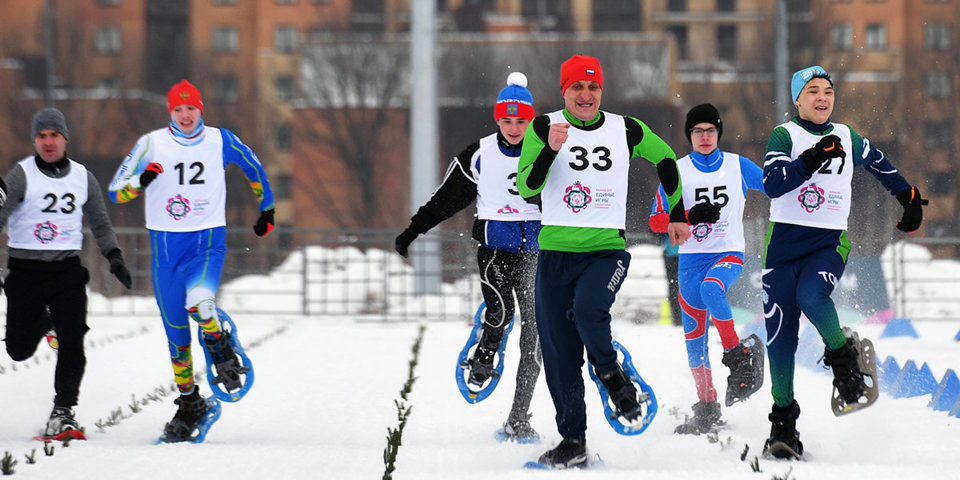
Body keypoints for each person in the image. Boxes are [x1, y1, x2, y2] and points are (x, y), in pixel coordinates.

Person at [517, 54, 690, 468]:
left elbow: (666, 158)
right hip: (556, 255)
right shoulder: (544, 127)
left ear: (601, 92)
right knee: (559, 355)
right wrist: (551, 150)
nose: (586, 94)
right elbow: (527, 188)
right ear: (565, 91)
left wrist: (678, 214)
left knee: (589, 311)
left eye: (593, 87)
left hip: (605, 251)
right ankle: (573, 441)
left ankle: (613, 378)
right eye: (577, 87)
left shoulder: (625, 129)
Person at [760, 66, 926, 459]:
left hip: (828, 240)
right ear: (797, 100)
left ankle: (843, 359)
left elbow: (880, 162)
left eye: (828, 91)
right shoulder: (785, 135)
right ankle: (783, 423)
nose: (822, 97)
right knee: (780, 340)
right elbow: (773, 183)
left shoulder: (847, 136)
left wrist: (908, 196)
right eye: (812, 91)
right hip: (782, 245)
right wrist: (812, 158)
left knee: (813, 298)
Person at [108, 80, 275, 442]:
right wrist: (142, 179)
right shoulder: (151, 143)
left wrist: (267, 209)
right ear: (171, 112)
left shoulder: (220, 140)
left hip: (206, 242)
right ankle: (189, 404)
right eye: (178, 110)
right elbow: (116, 192)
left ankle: (218, 343)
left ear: (201, 110)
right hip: (165, 251)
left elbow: (254, 168)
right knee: (177, 340)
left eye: (191, 109)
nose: (185, 116)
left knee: (200, 304)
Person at [395, 72, 543, 442]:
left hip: (539, 251)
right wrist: (414, 229)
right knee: (501, 313)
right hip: (495, 247)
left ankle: (518, 417)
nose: (514, 128)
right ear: (497, 119)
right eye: (507, 120)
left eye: (521, 121)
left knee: (536, 334)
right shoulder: (480, 154)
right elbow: (446, 197)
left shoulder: (546, 151)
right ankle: (487, 349)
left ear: (531, 120)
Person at [2, 107, 132, 441]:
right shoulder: (20, 175)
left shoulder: (82, 177)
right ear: (35, 140)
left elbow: (100, 221)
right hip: (25, 272)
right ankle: (46, 322)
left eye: (54, 135)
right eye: (42, 136)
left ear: (65, 139)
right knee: (17, 349)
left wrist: (114, 256)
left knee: (73, 340)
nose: (48, 142)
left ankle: (64, 411)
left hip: (66, 272)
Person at [649, 104, 766, 435]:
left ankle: (737, 354)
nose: (704, 137)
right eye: (698, 131)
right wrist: (686, 217)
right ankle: (707, 406)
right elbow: (655, 220)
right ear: (689, 135)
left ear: (718, 134)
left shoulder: (737, 166)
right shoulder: (677, 170)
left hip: (727, 252)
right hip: (690, 260)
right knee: (694, 347)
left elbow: (775, 186)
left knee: (712, 289)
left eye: (710, 131)